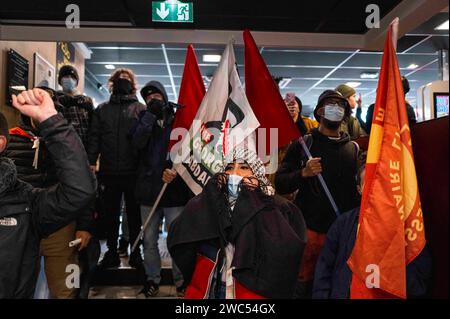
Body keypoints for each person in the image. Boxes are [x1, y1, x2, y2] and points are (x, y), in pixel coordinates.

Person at [168, 148, 307, 299]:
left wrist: (254, 199)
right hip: (211, 287)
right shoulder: (212, 201)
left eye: (244, 168)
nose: (235, 173)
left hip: (249, 292)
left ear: (257, 174)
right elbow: (181, 233)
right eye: (229, 167)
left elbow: (285, 251)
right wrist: (210, 194)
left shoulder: (276, 206)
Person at [0, 89, 96, 298]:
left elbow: (80, 186)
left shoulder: (66, 143)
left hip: (56, 222)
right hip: (18, 223)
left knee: (65, 288)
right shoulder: (15, 138)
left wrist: (84, 226)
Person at [275, 89, 361, 298]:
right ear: (319, 111)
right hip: (311, 231)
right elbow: (280, 183)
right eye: (330, 105)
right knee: (305, 285)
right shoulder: (304, 145)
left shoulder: (353, 149)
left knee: (339, 283)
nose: (336, 109)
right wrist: (303, 173)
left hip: (344, 234)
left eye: (340, 106)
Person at [312, 161, 432, 299]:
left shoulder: (407, 228)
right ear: (359, 189)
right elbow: (324, 268)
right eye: (368, 183)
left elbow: (420, 283)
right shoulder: (343, 224)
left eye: (380, 184)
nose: (375, 190)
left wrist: (389, 267)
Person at [130, 81, 193, 297]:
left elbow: (190, 151)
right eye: (148, 97)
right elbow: (137, 144)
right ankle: (152, 279)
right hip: (148, 191)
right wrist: (148, 116)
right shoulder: (142, 119)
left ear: (165, 97)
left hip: (174, 191)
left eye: (156, 96)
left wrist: (177, 173)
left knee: (177, 239)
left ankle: (181, 281)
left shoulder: (179, 120)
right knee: (149, 240)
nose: (152, 100)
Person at [87, 68, 146, 269]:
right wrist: (91, 162)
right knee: (110, 216)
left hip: (134, 172)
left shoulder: (141, 109)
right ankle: (111, 253)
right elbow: (94, 137)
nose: (123, 81)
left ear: (133, 84)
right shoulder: (102, 110)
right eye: (119, 79)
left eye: (127, 79)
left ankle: (136, 252)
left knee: (135, 217)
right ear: (112, 83)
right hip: (109, 172)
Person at [56, 65, 94, 149]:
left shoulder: (86, 101)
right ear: (60, 81)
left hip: (84, 147)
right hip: (64, 146)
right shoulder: (56, 100)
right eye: (66, 76)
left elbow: (93, 126)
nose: (69, 79)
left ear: (76, 82)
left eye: (72, 77)